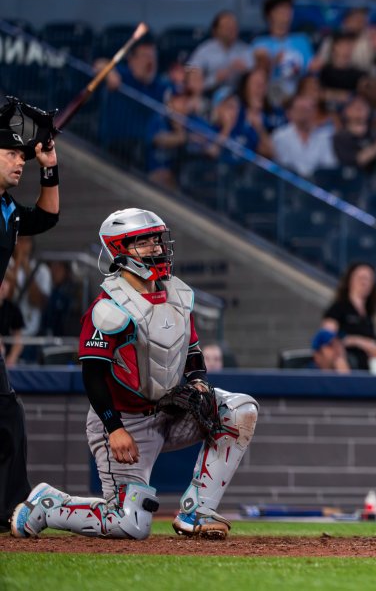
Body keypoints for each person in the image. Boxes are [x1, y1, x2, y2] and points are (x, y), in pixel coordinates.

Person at [10, 208, 258, 540]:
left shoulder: (178, 295)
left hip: (169, 411)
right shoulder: (109, 306)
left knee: (240, 411)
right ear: (120, 249)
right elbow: (93, 376)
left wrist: (198, 382)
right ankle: (48, 505)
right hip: (124, 424)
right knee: (129, 524)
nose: (156, 247)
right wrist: (114, 428)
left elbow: (192, 351)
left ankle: (197, 511)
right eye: (144, 241)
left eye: (157, 239)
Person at [0, 98, 59, 530]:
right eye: (11, 154)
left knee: (8, 417)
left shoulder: (7, 210)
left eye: (23, 156)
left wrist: (49, 167)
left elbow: (46, 218)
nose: (20, 162)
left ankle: (8, 510)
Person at [322, 261, 376, 372]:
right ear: (350, 280)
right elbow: (327, 338)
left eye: (369, 279)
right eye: (361, 278)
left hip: (366, 369)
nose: (365, 283)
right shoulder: (338, 308)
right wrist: (358, 342)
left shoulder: (369, 315)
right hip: (346, 367)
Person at [186, 11, 253, 96]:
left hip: (240, 95)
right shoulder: (205, 49)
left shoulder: (246, 49)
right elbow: (189, 66)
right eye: (227, 26)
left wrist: (247, 70)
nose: (232, 29)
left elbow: (257, 72)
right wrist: (214, 78)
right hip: (210, 93)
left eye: (234, 26)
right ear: (215, 31)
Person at [0, 271, 26, 367]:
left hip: (6, 361)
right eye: (2, 281)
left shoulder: (13, 309)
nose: (3, 286)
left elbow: (18, 338)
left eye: (6, 281)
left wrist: (11, 358)